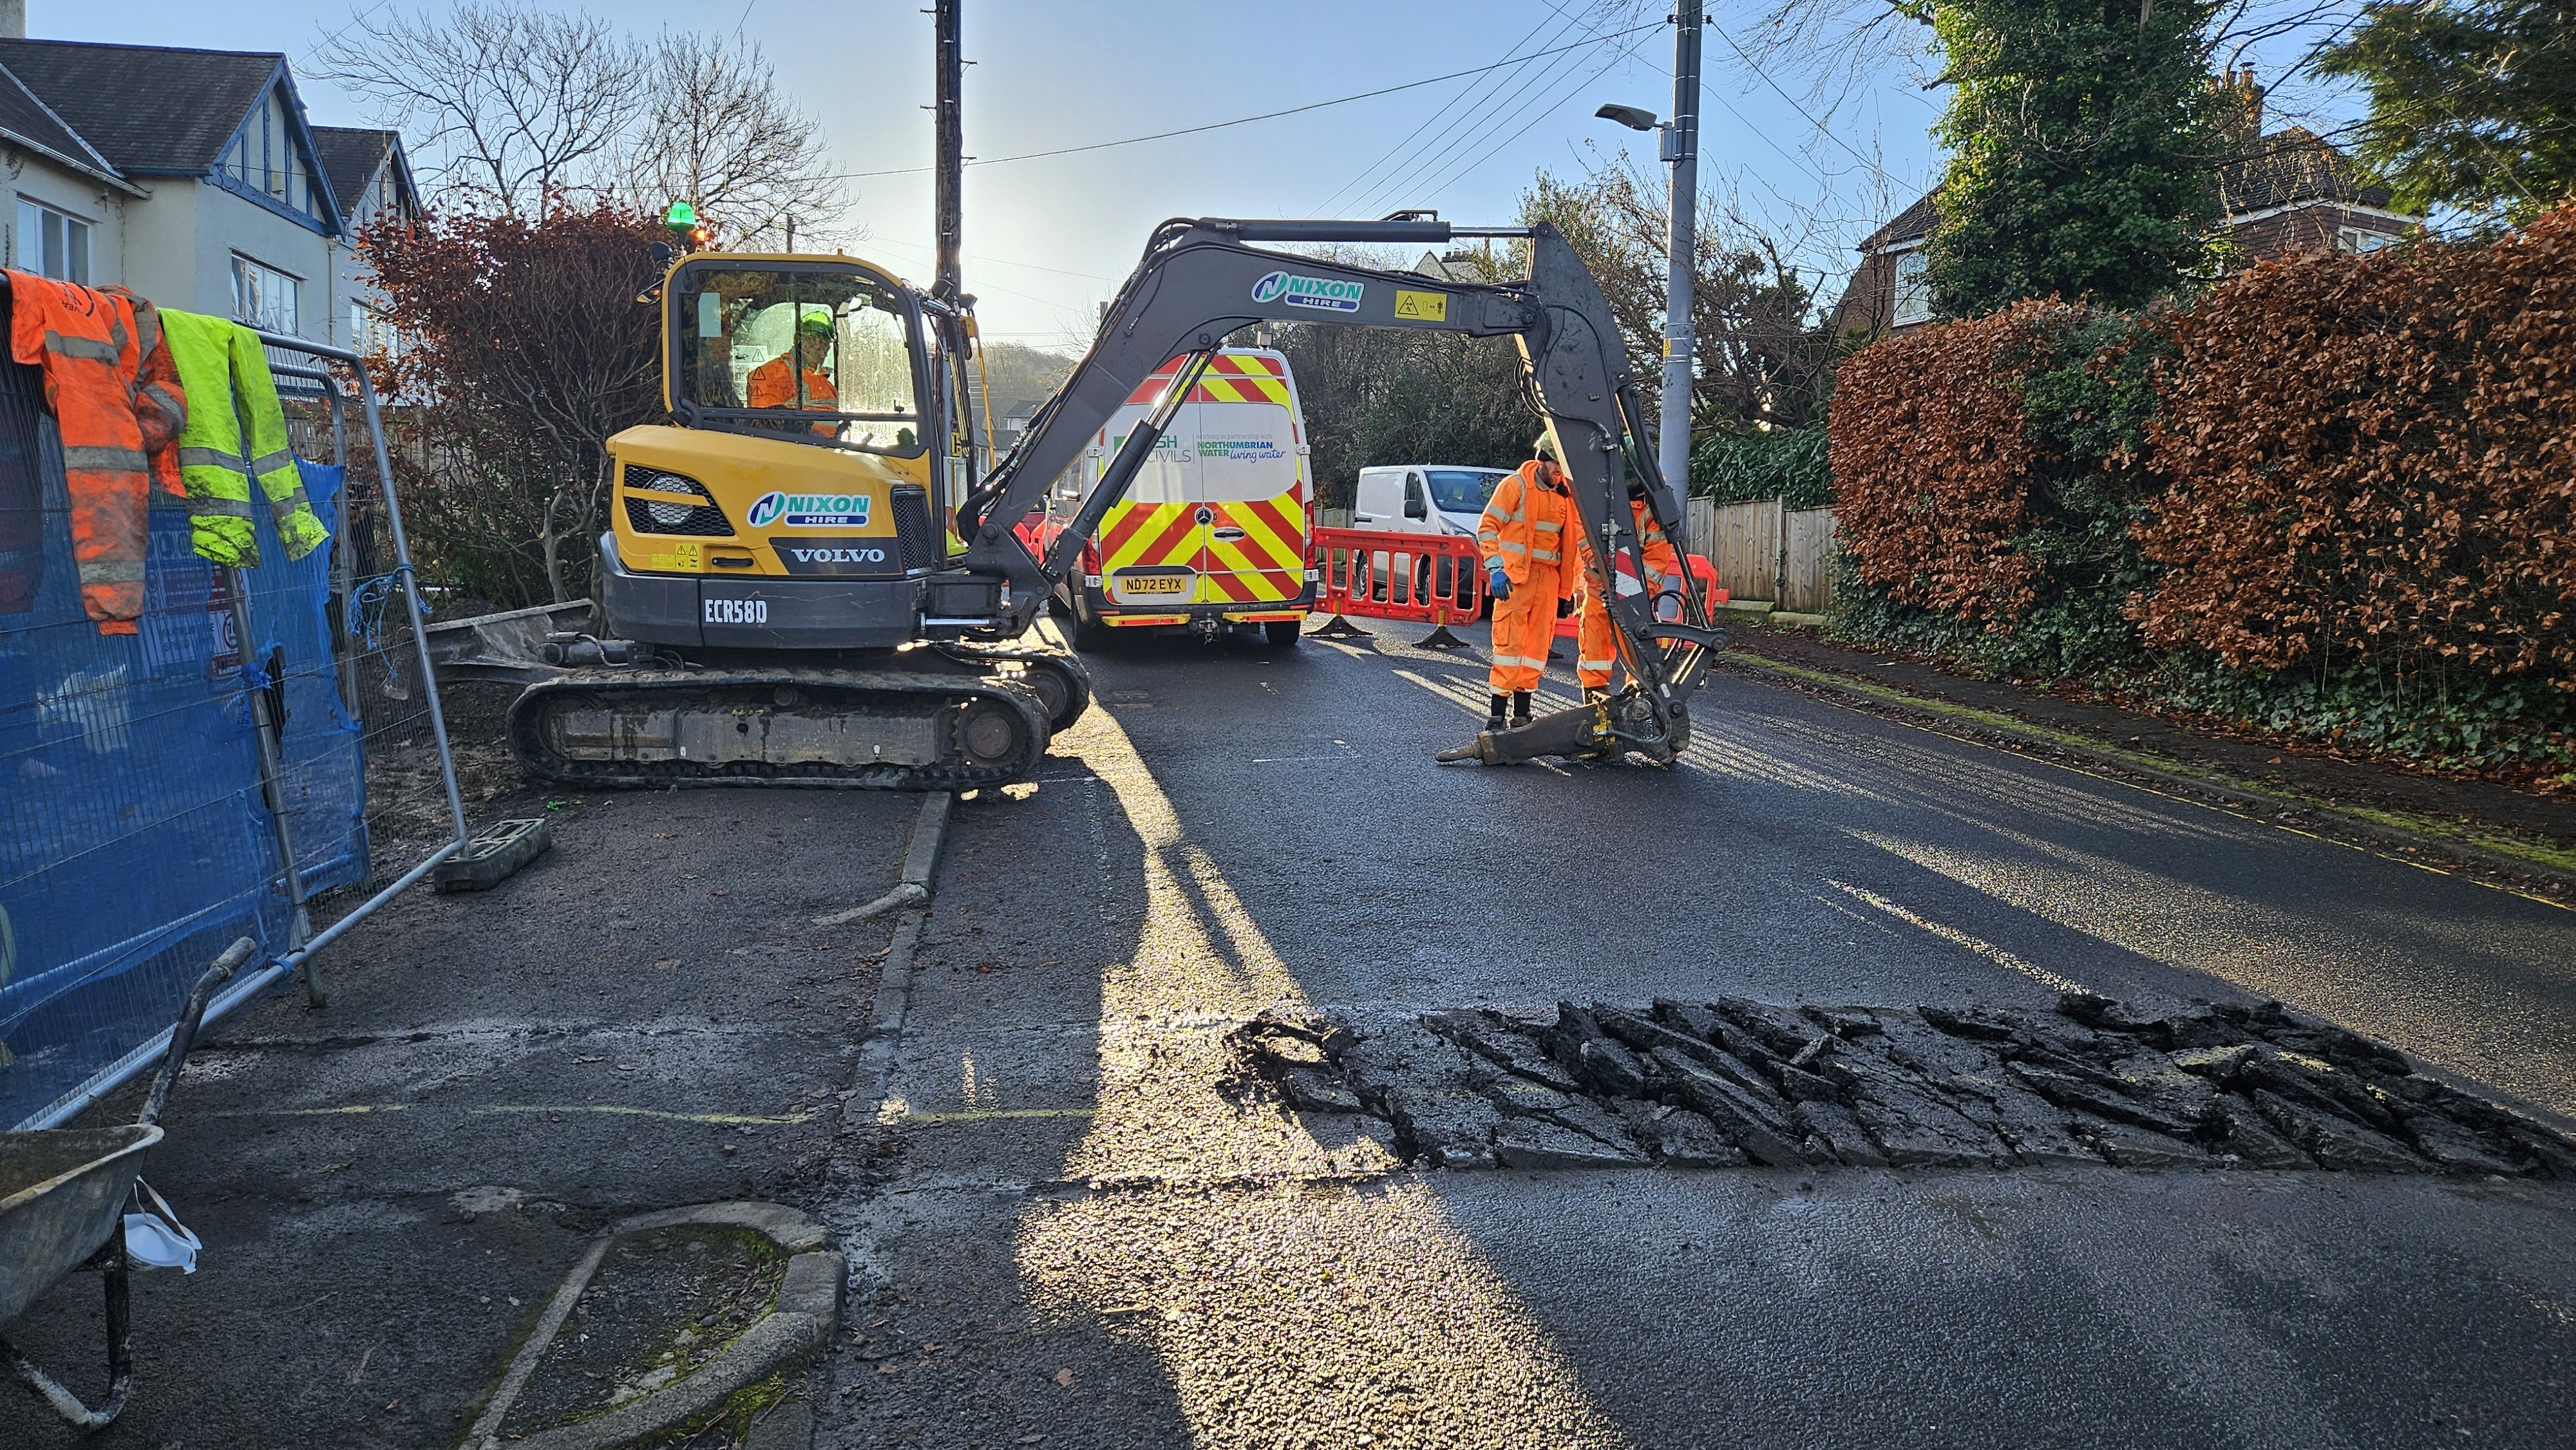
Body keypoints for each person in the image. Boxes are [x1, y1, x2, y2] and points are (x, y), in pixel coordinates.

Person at [1475, 433, 1581, 733]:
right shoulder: (1515, 487)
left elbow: (1570, 548)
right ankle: (1496, 717)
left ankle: (1522, 716)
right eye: (1557, 466)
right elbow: (1487, 528)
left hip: (1547, 582)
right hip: (1515, 580)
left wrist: (1566, 592)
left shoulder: (1565, 496)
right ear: (1542, 460)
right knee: (1509, 645)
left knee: (1536, 650)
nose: (1560, 472)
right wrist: (1495, 568)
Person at [1573, 480, 1684, 704]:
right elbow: (1583, 532)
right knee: (1594, 658)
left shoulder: (1653, 507)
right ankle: (1595, 706)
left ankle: (1637, 709)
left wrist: (1621, 589)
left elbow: (1654, 564)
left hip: (1634, 602)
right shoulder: (1599, 496)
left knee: (1639, 661)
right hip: (1600, 593)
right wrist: (1600, 567)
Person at [747, 308, 837, 433]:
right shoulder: (775, 374)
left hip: (830, 448)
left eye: (824, 341)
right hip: (796, 449)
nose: (818, 345)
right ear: (798, 340)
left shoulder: (826, 385)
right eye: (812, 339)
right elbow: (765, 426)